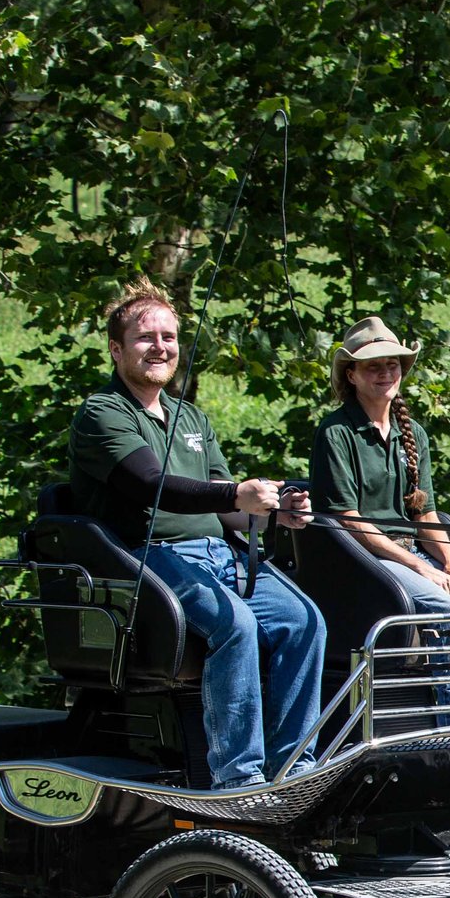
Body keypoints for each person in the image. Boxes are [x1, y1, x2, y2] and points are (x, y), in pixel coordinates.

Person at [66, 280, 326, 789]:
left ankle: (297, 769)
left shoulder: (190, 418)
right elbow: (151, 485)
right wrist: (236, 495)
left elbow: (225, 507)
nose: (160, 347)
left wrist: (274, 514)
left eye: (169, 336)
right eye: (146, 338)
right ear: (117, 349)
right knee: (238, 627)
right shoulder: (102, 413)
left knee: (305, 621)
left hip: (218, 555)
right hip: (146, 557)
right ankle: (239, 778)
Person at [308, 317, 450, 725]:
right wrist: (420, 568)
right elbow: (348, 521)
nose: (385, 373)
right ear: (352, 374)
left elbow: (425, 513)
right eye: (373, 366)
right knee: (445, 608)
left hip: (414, 554)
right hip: (365, 561)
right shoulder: (336, 433)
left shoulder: (412, 432)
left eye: (392, 364)